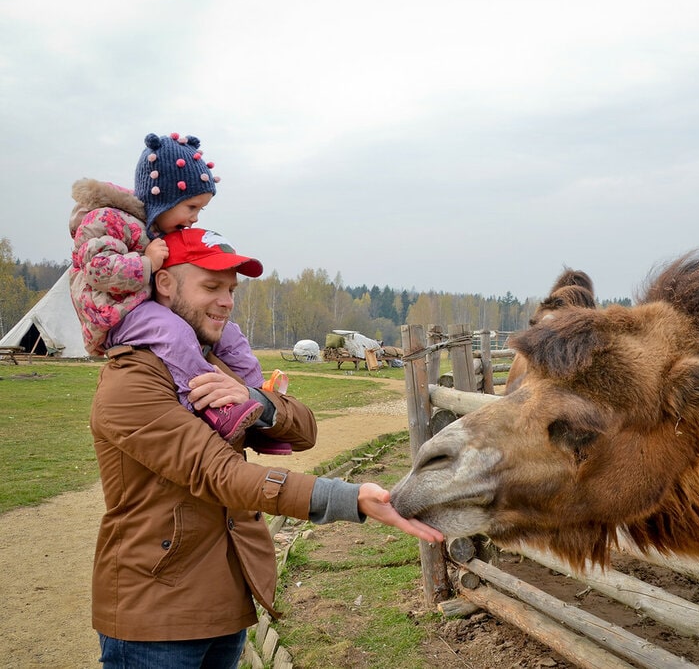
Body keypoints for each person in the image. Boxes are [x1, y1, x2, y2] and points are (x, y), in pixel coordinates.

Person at [89, 227, 444, 669]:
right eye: (211, 286)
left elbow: (304, 432)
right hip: (156, 614)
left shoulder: (211, 364)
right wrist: (349, 498)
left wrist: (255, 401)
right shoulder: (133, 380)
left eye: (232, 290)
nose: (226, 301)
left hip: (226, 600)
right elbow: (220, 474)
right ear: (164, 283)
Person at [69, 132, 283, 450]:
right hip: (115, 312)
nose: (194, 217)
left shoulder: (156, 229)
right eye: (191, 207)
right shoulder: (107, 219)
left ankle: (256, 402)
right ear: (165, 199)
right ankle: (208, 404)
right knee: (174, 331)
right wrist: (146, 263)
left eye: (201, 210)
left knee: (231, 334)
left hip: (143, 304)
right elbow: (98, 271)